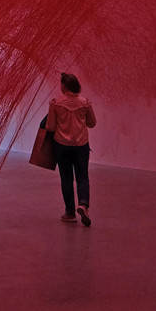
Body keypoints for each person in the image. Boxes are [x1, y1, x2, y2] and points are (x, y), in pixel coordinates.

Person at [46, 72, 96, 226]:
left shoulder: (56, 103)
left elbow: (51, 126)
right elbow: (92, 123)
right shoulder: (85, 102)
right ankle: (83, 204)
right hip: (81, 145)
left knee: (66, 178)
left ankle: (70, 212)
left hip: (62, 146)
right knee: (82, 176)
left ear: (64, 86)